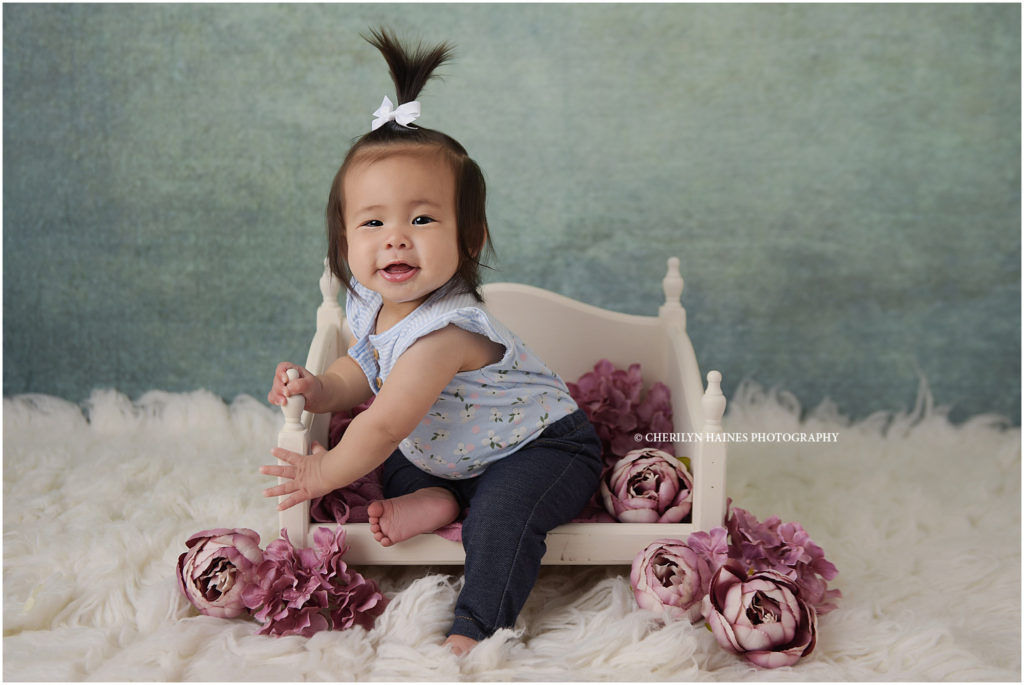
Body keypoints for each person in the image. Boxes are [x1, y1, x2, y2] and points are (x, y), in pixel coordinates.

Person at [260, 28, 602, 655]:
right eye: (372, 222)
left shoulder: (445, 333)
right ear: (344, 242)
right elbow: (362, 371)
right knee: (393, 463)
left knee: (500, 519)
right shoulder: (372, 303)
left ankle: (476, 626)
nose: (395, 238)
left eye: (421, 219)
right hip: (453, 448)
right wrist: (322, 388)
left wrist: (321, 472)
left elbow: (383, 423)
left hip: (540, 450)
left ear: (470, 236)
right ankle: (439, 498)